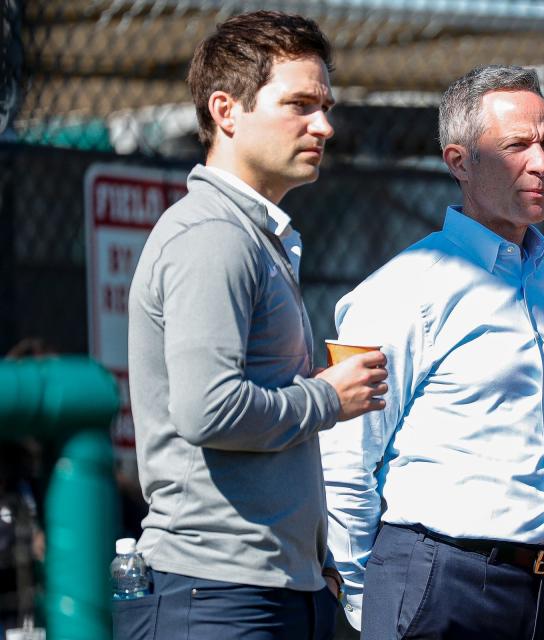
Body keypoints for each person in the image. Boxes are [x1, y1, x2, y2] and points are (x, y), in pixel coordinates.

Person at [121, 11, 388, 639]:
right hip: (214, 596)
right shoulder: (212, 234)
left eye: (324, 105)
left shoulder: (250, 235)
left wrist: (313, 568)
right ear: (226, 110)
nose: (323, 125)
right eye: (298, 104)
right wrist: (328, 397)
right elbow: (207, 410)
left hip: (271, 590)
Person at [321, 64, 544, 639]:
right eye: (516, 145)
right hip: (436, 582)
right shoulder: (404, 288)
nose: (540, 164)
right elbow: (344, 457)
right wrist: (372, 599)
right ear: (459, 161)